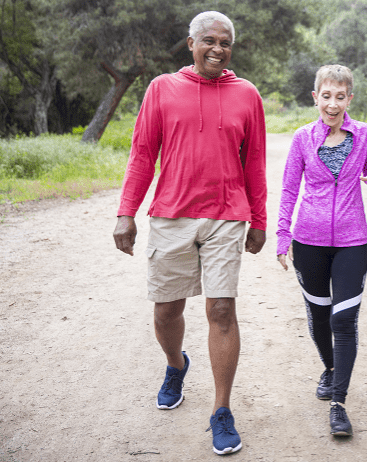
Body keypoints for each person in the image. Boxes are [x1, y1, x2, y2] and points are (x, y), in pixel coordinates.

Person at [112, 11, 266, 455]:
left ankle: (221, 410)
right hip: (171, 215)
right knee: (166, 312)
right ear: (191, 43)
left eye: (225, 42)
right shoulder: (162, 88)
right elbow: (143, 154)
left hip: (226, 215)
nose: (217, 49)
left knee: (221, 310)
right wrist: (127, 212)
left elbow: (254, 161)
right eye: (209, 41)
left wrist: (258, 218)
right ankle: (176, 365)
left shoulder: (246, 95)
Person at [276, 64, 367, 437]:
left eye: (340, 97)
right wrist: (282, 237)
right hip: (307, 242)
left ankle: (339, 403)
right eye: (326, 96)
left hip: (352, 241)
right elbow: (290, 191)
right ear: (316, 97)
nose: (332, 104)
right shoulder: (302, 138)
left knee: (344, 320)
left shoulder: (361, 135)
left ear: (349, 99)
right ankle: (329, 368)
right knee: (320, 316)